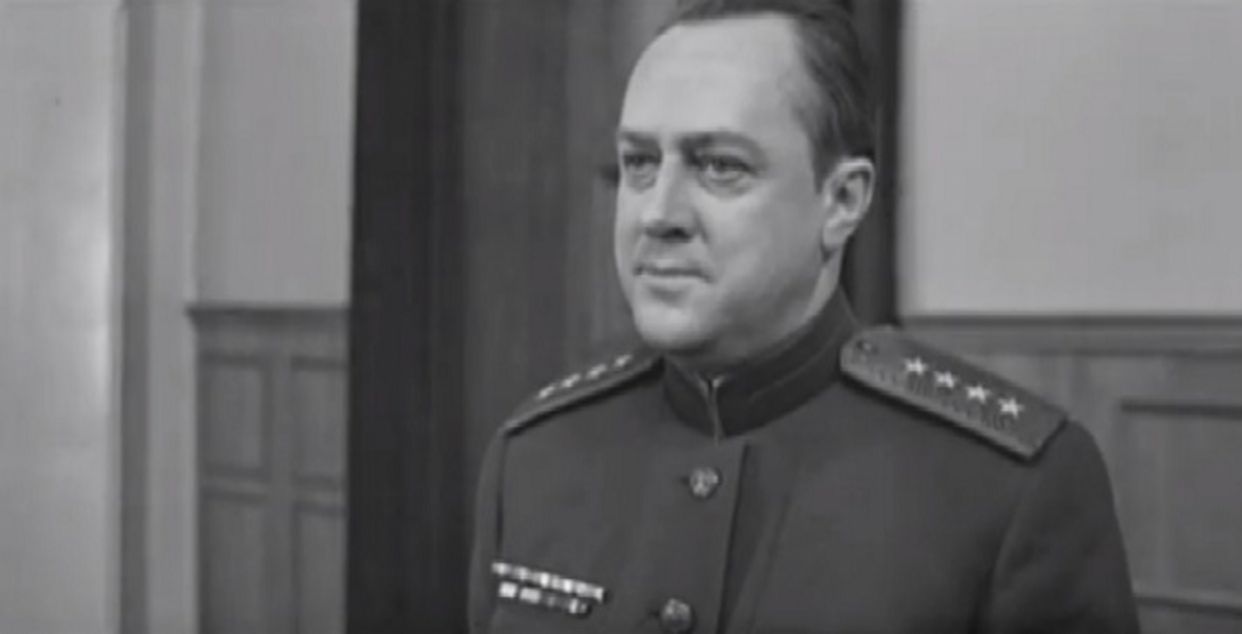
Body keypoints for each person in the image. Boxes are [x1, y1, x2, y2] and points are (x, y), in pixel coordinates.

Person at [468, 0, 1140, 631]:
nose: (658, 214)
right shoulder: (536, 460)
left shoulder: (1007, 485)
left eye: (720, 167)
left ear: (842, 201)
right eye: (639, 163)